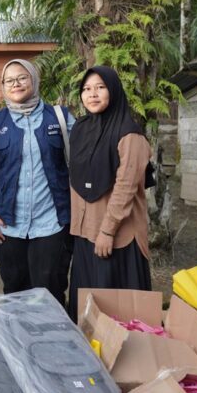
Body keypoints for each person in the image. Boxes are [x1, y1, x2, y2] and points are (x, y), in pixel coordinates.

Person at [0, 59, 75, 306]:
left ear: (34, 79)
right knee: (15, 288)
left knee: (50, 289)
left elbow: (81, 161)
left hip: (52, 221)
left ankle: (52, 340)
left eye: (22, 78)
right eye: (9, 80)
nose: (15, 84)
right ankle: (18, 343)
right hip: (8, 224)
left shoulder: (60, 118)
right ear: (3, 86)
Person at [68, 66, 153, 319]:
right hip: (84, 233)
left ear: (114, 90)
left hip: (118, 237)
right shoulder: (81, 129)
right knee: (87, 307)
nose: (92, 94)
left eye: (100, 87)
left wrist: (107, 230)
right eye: (86, 89)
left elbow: (125, 187)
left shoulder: (129, 133)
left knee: (117, 311)